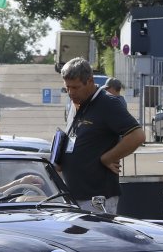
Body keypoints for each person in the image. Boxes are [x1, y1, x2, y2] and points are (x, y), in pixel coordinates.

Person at [59, 57, 144, 214]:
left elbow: (137, 136)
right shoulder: (78, 103)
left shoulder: (108, 103)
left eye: (75, 87)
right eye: (67, 88)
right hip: (74, 197)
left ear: (90, 81)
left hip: (96, 199)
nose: (71, 93)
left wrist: (108, 158)